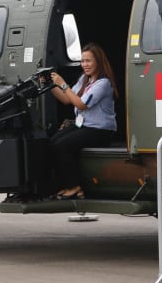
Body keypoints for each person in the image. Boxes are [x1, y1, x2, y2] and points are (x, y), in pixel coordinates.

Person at [47, 43, 118, 200]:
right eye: (82, 61)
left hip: (101, 131)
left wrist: (63, 84)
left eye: (88, 61)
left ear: (98, 62)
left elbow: (80, 104)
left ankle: (75, 187)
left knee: (62, 146)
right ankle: (63, 185)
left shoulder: (103, 83)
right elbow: (67, 98)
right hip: (85, 126)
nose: (84, 65)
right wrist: (49, 84)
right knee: (53, 141)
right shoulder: (84, 79)